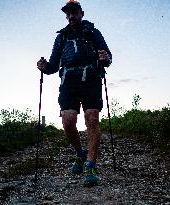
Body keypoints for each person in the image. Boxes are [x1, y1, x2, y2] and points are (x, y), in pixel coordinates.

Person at [37, 0, 112, 186]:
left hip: (91, 79)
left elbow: (108, 56)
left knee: (92, 118)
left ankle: (91, 165)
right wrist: (44, 67)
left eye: (74, 12)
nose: (71, 16)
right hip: (68, 82)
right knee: (68, 122)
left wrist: (105, 58)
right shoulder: (61, 37)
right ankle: (80, 153)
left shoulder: (94, 32)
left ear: (82, 13)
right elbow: (54, 65)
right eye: (68, 13)